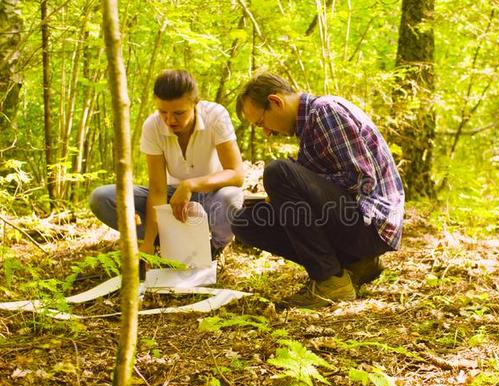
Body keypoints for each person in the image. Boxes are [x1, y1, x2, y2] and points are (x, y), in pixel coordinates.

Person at [231, 72, 404, 309]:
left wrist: (295, 183)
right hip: (351, 220)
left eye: (261, 123)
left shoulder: (325, 111)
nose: (266, 133)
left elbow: (361, 180)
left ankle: (330, 281)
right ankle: (354, 265)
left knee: (278, 171)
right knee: (245, 221)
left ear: (276, 102)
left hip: (370, 226)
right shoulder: (310, 127)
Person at [90, 69, 244, 259]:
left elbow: (236, 175)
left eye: (179, 113)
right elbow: (157, 190)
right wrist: (147, 243)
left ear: (195, 103)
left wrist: (191, 185)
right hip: (172, 197)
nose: (170, 120)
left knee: (230, 197)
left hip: (212, 195)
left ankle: (214, 248)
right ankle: (165, 244)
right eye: (163, 112)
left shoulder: (215, 115)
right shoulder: (152, 126)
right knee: (102, 198)